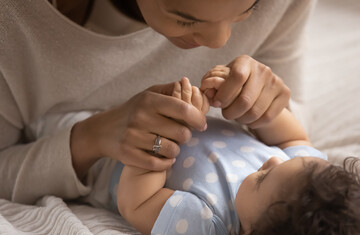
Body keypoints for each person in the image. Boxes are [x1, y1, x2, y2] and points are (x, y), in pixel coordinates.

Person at [0, 0, 316, 205]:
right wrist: (91, 138)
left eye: (248, 11)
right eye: (184, 19)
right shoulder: (12, 22)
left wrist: (265, 106)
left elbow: (299, 136)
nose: (220, 42)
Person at [111, 75, 360, 235]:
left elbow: (138, 203)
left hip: (116, 153)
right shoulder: (308, 175)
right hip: (165, 113)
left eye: (263, 178)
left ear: (250, 233)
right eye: (285, 161)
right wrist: (250, 106)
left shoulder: (211, 225)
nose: (273, 160)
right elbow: (292, 139)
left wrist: (166, 131)